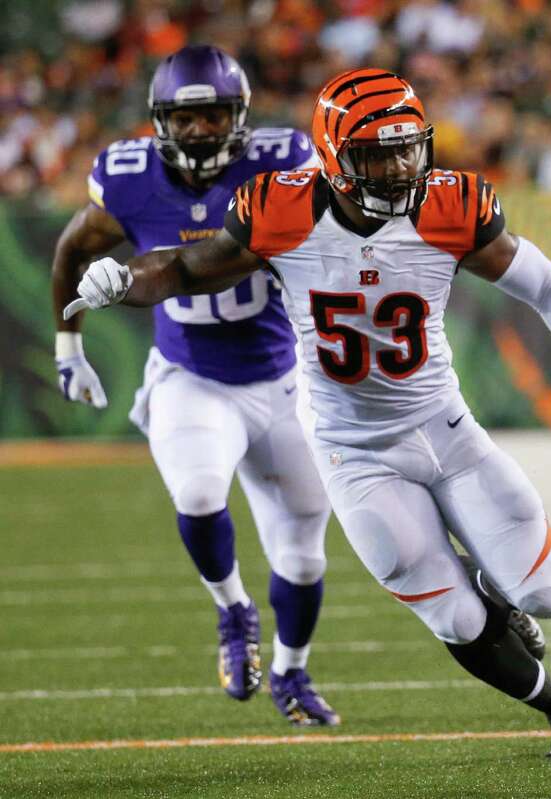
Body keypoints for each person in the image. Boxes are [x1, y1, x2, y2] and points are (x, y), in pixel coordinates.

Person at [64, 68, 551, 760]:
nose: (395, 168)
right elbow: (186, 268)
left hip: (447, 430)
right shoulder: (283, 209)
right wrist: (127, 279)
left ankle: (498, 590)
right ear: (331, 156)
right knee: (452, 614)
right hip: (353, 452)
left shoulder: (451, 205)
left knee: (545, 595)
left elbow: (548, 285)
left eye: (407, 148)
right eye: (375, 154)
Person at [50, 45, 340, 725]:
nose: (203, 130)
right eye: (188, 118)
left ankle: (292, 673)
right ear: (160, 121)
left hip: (283, 379)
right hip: (192, 375)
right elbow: (70, 249)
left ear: (239, 116)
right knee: (201, 489)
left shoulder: (283, 164)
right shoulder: (127, 180)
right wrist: (69, 346)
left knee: (303, 550)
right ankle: (233, 607)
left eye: (216, 115)